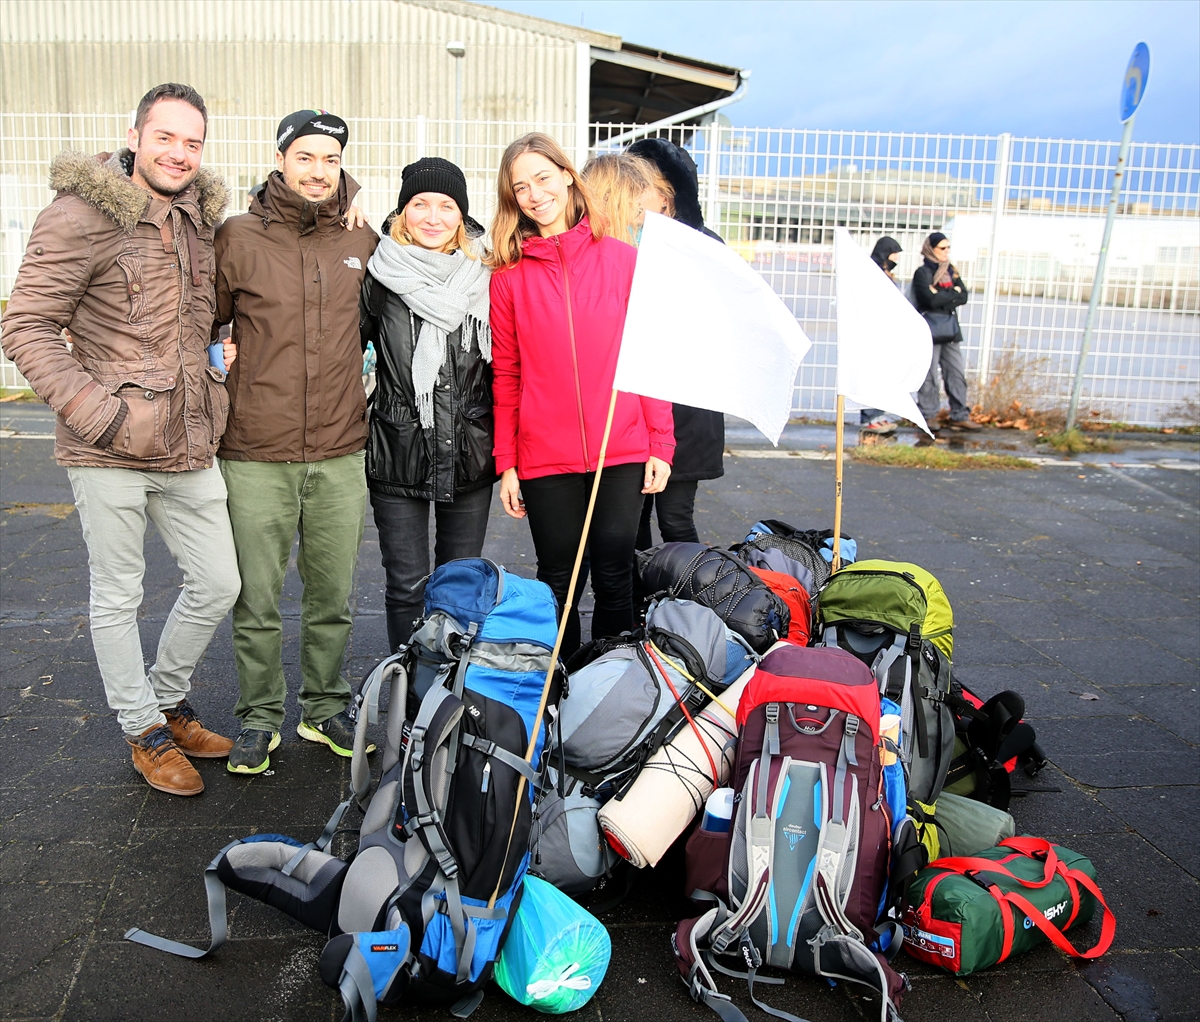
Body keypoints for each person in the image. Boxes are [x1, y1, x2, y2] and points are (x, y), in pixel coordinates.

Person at [1, 83, 240, 797]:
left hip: (187, 439)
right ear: (135, 136)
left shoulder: (198, 220)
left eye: (192, 142)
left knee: (218, 581)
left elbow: (195, 319)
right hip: (107, 444)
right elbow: (25, 326)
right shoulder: (81, 214)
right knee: (118, 595)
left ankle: (166, 698)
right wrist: (97, 413)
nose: (178, 152)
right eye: (165, 137)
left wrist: (215, 353)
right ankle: (144, 730)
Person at [213, 109, 379, 774]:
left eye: (330, 159)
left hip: (341, 447)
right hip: (255, 449)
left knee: (331, 594)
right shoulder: (238, 236)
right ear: (281, 159)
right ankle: (257, 718)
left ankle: (324, 708)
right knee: (256, 597)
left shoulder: (362, 238)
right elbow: (202, 320)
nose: (317, 171)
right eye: (305, 157)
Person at [488, 133, 675, 657]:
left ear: (569, 176)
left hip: (622, 447)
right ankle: (560, 701)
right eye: (519, 187)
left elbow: (648, 358)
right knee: (559, 583)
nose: (533, 194)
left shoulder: (622, 261)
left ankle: (612, 695)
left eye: (542, 178)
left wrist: (661, 442)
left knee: (616, 573)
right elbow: (507, 375)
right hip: (545, 456)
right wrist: (508, 463)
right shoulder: (508, 279)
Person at [359, 158, 495, 651]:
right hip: (399, 450)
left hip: (469, 452)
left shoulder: (484, 277)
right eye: (420, 204)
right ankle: (410, 695)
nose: (433, 216)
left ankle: (451, 697)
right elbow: (341, 349)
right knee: (407, 588)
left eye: (446, 205)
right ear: (402, 212)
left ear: (462, 217)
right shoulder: (380, 275)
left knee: (461, 589)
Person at [618, 137, 727, 547]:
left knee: (676, 517)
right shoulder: (618, 239)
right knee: (632, 520)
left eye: (639, 182)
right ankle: (640, 606)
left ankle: (689, 606)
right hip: (633, 403)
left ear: (666, 194)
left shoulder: (702, 246)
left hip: (686, 405)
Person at [913, 231, 981, 432]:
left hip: (950, 331)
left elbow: (964, 296)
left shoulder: (951, 271)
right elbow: (928, 300)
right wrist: (951, 294)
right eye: (942, 248)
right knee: (929, 374)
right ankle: (928, 414)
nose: (946, 251)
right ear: (930, 249)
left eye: (948, 247)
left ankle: (959, 415)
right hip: (930, 331)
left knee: (956, 373)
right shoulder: (922, 273)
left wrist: (942, 294)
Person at [859, 236, 905, 436]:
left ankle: (879, 414)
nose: (896, 259)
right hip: (873, 333)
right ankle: (870, 417)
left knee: (883, 376)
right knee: (871, 374)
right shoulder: (872, 273)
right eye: (894, 254)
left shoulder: (885, 274)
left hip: (886, 332)